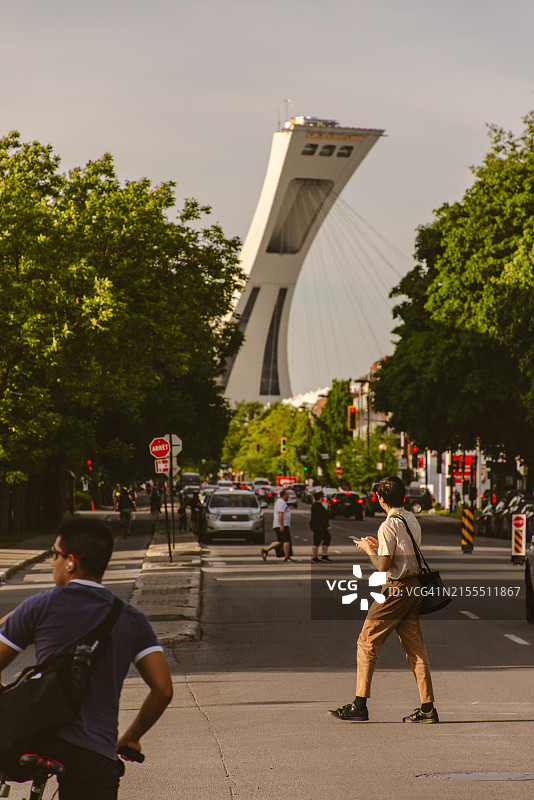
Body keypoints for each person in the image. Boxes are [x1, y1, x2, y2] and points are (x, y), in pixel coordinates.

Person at [0, 516, 173, 799]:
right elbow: (163, 690)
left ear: (71, 561)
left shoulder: (39, 606)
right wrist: (131, 737)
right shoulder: (132, 619)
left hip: (35, 742)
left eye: (54, 555)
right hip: (94, 752)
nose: (53, 563)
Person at [329, 475, 438, 724]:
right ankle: (427, 707)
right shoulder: (410, 519)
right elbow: (404, 551)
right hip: (414, 589)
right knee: (416, 649)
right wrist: (380, 545)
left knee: (366, 642)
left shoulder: (388, 524)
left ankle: (359, 705)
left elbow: (383, 566)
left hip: (395, 590)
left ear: (379, 499)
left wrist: (369, 550)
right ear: (403, 496)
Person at [261, 488, 294, 562]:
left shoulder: (281, 502)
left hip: (281, 524)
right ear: (284, 495)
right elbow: (280, 514)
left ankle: (266, 550)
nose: (288, 497)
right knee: (286, 540)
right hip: (282, 524)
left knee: (280, 541)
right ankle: (286, 557)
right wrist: (281, 525)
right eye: (288, 495)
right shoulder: (281, 503)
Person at [309, 491, 332, 562]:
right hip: (318, 526)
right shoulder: (317, 506)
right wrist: (326, 525)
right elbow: (321, 517)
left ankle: (324, 555)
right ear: (320, 497)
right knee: (317, 541)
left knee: (327, 538)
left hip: (320, 526)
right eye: (323, 496)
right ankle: (314, 557)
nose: (323, 498)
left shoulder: (318, 505)